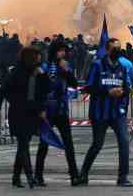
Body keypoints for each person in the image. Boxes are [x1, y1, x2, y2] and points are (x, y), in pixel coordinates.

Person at [76, 38, 133, 187]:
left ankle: (123, 177)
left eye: (119, 48)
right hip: (99, 112)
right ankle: (83, 174)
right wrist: (107, 92)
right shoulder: (97, 65)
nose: (117, 51)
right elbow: (88, 87)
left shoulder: (122, 67)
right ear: (107, 50)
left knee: (124, 142)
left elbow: (128, 87)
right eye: (114, 48)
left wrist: (123, 91)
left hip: (117, 113)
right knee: (97, 144)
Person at [0, 46, 49, 189]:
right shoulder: (16, 73)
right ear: (30, 58)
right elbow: (2, 91)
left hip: (31, 113)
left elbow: (45, 91)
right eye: (37, 57)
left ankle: (16, 177)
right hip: (18, 113)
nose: (39, 59)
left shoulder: (37, 72)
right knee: (23, 145)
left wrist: (42, 75)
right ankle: (30, 177)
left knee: (23, 147)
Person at [34, 40, 80, 187]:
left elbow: (74, 84)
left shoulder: (65, 66)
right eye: (60, 50)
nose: (63, 53)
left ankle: (74, 175)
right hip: (46, 111)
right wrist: (40, 109)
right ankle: (38, 175)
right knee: (44, 143)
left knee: (68, 143)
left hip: (61, 110)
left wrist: (66, 71)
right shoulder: (44, 67)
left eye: (64, 51)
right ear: (54, 51)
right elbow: (38, 89)